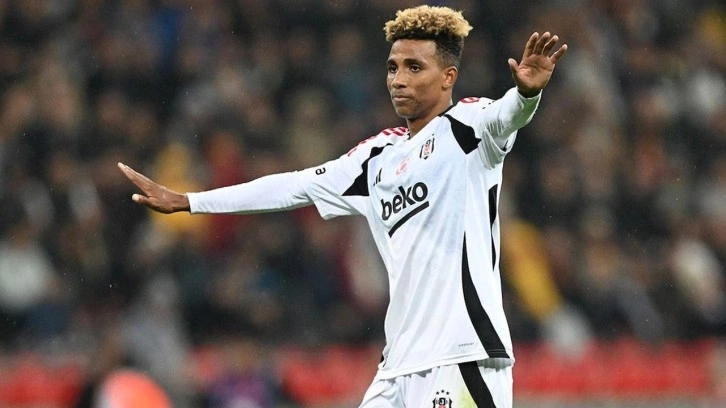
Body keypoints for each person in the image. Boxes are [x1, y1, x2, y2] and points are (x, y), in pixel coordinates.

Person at [118, 5, 567, 407]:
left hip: (463, 355)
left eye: (414, 67)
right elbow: (294, 187)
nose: (398, 79)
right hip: (398, 365)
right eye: (392, 67)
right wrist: (191, 201)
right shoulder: (376, 157)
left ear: (448, 77)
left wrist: (527, 94)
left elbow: (506, 115)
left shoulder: (467, 127)